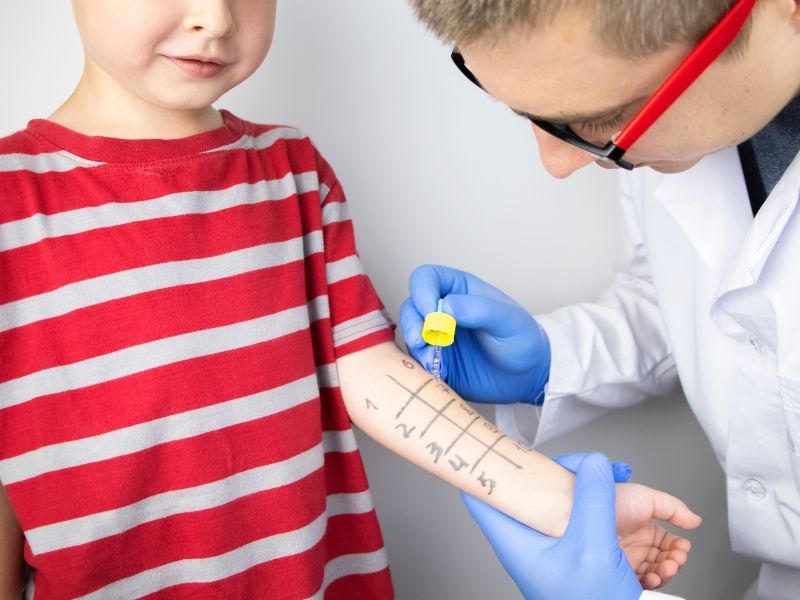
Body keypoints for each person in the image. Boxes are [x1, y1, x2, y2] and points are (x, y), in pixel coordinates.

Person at [0, 1, 702, 598]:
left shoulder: (289, 171)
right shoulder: (10, 201)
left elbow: (372, 373)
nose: (214, 20)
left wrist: (564, 504)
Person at [401, 0, 800, 598]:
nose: (556, 164)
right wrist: (549, 362)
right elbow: (706, 303)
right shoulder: (680, 125)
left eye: (595, 121)